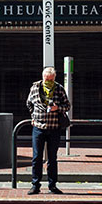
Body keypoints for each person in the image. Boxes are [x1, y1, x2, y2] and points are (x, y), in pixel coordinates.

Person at [25, 66, 70, 195]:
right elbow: (29, 103)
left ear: (54, 78)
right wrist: (33, 116)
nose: (48, 81)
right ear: (42, 77)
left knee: (52, 158)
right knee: (37, 157)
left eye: (51, 79)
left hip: (54, 128)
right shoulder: (35, 88)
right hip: (38, 127)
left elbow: (67, 105)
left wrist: (58, 108)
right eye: (46, 79)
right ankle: (35, 185)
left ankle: (52, 185)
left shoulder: (59, 88)